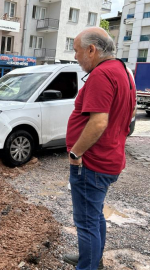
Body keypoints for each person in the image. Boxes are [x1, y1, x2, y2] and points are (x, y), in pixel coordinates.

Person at [64, 27, 136, 270]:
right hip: (109, 158)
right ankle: (92, 258)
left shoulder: (101, 74)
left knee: (85, 222)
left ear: (91, 50)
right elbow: (131, 114)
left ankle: (88, 265)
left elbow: (99, 121)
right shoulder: (124, 71)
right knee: (94, 216)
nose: (75, 56)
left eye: (77, 51)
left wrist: (76, 153)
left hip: (92, 164)